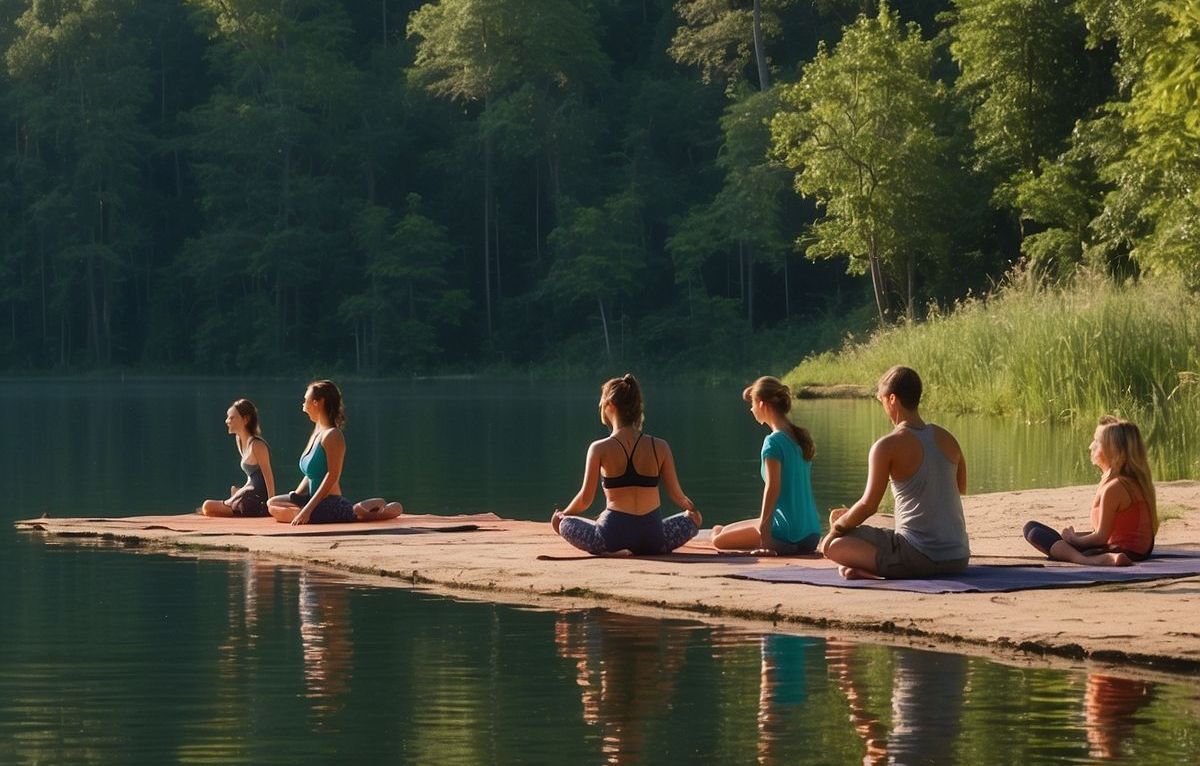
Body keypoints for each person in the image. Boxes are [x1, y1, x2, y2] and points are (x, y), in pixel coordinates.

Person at [819, 366, 970, 579]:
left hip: (918, 557)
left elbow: (869, 505)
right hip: (958, 558)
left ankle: (872, 571)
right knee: (865, 532)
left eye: (881, 401)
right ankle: (865, 568)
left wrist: (836, 529)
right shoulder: (948, 438)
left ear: (892, 399)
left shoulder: (886, 446)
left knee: (833, 545)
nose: (883, 408)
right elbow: (960, 488)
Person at [551, 374, 702, 555]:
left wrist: (563, 516)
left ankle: (615, 550)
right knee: (693, 520)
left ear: (611, 406)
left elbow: (585, 499)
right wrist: (692, 511)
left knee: (564, 524)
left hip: (610, 537)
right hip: (653, 539)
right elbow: (678, 496)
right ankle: (640, 545)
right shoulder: (660, 446)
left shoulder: (599, 448)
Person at [1023, 416, 1157, 565]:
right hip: (1133, 550)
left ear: (1113, 451)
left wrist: (1073, 540)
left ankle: (1088, 560)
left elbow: (1101, 537)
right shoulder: (1125, 481)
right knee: (1043, 532)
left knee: (1033, 531)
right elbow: (1108, 532)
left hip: (1123, 551)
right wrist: (1074, 537)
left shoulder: (1116, 487)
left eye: (1097, 442)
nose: (1090, 446)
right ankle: (1091, 554)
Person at [266, 380, 403, 525]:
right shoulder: (317, 432)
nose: (303, 406)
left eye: (305, 400)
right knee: (272, 503)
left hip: (329, 502)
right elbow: (310, 474)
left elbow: (332, 476)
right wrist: (297, 496)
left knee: (290, 513)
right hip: (312, 498)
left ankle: (368, 511)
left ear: (318, 402)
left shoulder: (333, 435)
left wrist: (307, 509)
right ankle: (360, 509)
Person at [710, 377, 821, 554]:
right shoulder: (800, 438)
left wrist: (764, 531)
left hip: (788, 533)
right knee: (722, 529)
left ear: (762, 404)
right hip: (812, 534)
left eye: (752, 404)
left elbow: (773, 487)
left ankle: (781, 544)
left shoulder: (773, 442)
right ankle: (731, 530)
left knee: (718, 540)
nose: (751, 409)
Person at [200, 399, 275, 517]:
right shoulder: (240, 441)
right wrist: (239, 492)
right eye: (228, 417)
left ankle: (237, 507)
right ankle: (234, 504)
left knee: (207, 506)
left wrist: (271, 505)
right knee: (209, 507)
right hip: (247, 493)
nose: (227, 421)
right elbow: (252, 477)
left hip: (255, 499)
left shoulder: (257, 445)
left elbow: (268, 477)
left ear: (245, 419)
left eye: (232, 418)